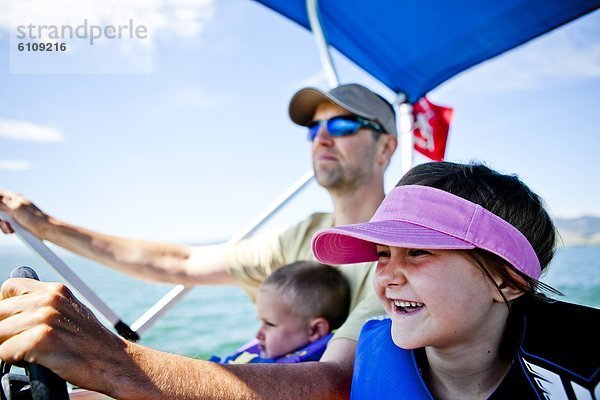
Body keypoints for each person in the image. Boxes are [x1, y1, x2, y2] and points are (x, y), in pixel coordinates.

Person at [0, 83, 398, 398]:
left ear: (386, 148)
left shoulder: (397, 250)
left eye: (343, 125)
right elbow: (181, 263)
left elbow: (337, 383)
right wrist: (47, 226)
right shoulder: (306, 232)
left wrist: (111, 361)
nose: (322, 138)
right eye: (314, 128)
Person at [312, 161, 600, 399]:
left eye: (417, 252)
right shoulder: (375, 356)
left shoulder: (585, 366)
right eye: (383, 253)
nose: (387, 275)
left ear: (506, 283)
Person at [212, 261, 350, 364]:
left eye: (270, 324)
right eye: (261, 322)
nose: (258, 334)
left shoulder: (296, 375)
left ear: (315, 329)